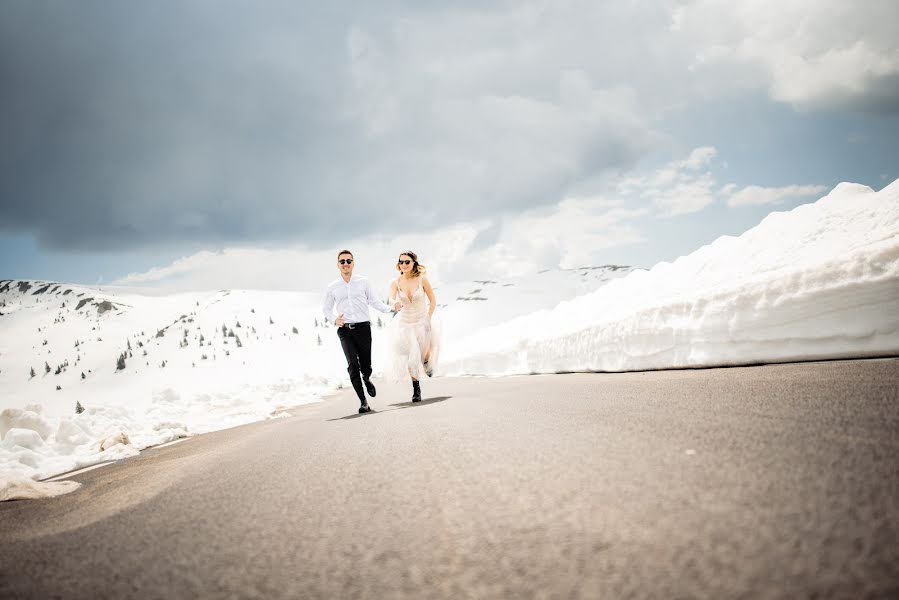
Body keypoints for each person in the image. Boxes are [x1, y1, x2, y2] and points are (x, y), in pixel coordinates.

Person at [323, 250, 400, 414]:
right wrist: (334, 319)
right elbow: (326, 309)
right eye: (342, 261)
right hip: (345, 330)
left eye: (348, 261)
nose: (345, 264)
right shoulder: (333, 287)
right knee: (352, 365)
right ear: (338, 265)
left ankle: (367, 377)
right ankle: (363, 401)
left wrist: (391, 308)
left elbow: (374, 301)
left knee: (366, 365)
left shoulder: (363, 282)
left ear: (353, 263)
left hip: (363, 328)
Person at [385, 251, 439, 403]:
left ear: (414, 263)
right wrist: (393, 302)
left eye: (407, 262)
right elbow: (390, 298)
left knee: (424, 355)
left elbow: (433, 301)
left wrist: (428, 318)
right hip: (404, 324)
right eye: (401, 262)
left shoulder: (422, 279)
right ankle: (416, 389)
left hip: (422, 321)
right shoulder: (395, 282)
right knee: (412, 357)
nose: (403, 265)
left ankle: (427, 362)